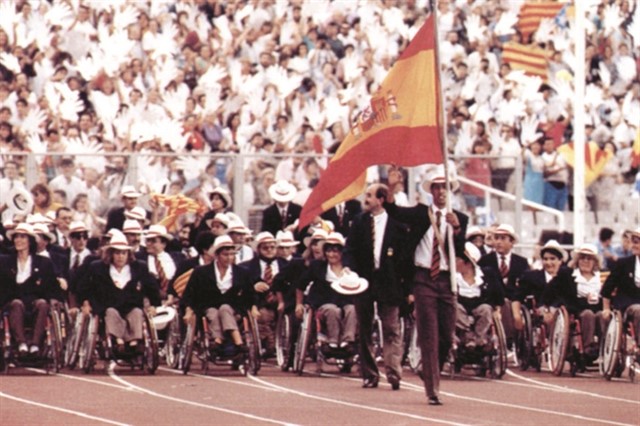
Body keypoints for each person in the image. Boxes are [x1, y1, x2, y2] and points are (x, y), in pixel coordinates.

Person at [384, 169, 468, 406]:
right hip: (423, 278)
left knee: (446, 336)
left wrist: (458, 229)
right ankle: (433, 389)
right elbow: (394, 211)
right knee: (429, 335)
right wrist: (391, 188)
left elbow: (460, 252)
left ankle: (430, 370)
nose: (441, 192)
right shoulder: (421, 214)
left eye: (445, 187)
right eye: (437, 187)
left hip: (447, 280)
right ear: (431, 191)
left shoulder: (459, 217)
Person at [345, 183, 409, 390]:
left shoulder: (397, 225)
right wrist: (351, 271)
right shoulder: (359, 222)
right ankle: (369, 374)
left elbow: (404, 258)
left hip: (388, 282)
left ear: (381, 200)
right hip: (364, 281)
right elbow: (350, 249)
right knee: (364, 328)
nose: (366, 199)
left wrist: (405, 287)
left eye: (370, 195)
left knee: (391, 328)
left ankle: (393, 371)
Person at [81, 230, 160, 354]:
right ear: (111, 254)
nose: (120, 256)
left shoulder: (139, 267)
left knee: (137, 312)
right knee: (111, 312)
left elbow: (151, 287)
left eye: (123, 253)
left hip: (131, 304)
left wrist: (154, 305)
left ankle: (134, 341)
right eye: (117, 253)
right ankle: (118, 341)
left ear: (128, 254)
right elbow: (86, 287)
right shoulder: (97, 267)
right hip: (108, 305)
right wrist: (86, 303)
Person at [181, 235, 254, 354]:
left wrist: (254, 307)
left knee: (224, 308)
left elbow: (250, 294)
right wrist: (188, 311)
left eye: (232, 254)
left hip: (234, 310)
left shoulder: (242, 272)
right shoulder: (201, 272)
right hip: (209, 307)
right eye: (225, 254)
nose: (229, 258)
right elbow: (189, 293)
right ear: (217, 255)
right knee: (214, 312)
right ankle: (233, 341)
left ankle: (221, 340)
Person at [0, 223, 58, 355]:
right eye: (16, 237)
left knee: (42, 304)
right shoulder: (4, 261)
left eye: (22, 237)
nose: (18, 240)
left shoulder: (43, 262)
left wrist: (54, 298)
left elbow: (52, 286)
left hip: (34, 300)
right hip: (12, 301)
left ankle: (35, 344)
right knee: (17, 304)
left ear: (30, 241)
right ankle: (21, 343)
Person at [296, 232, 357, 356]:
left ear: (342, 252)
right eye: (328, 251)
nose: (331, 254)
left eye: (335, 251)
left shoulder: (351, 268)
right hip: (323, 303)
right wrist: (299, 304)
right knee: (333, 310)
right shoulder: (317, 266)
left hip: (345, 301)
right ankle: (332, 343)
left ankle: (348, 342)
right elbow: (300, 285)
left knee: (352, 309)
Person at [478, 224, 529, 352]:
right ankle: (507, 340)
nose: (499, 242)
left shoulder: (521, 262)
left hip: (515, 300)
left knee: (509, 304)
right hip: (492, 299)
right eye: (497, 238)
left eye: (503, 238)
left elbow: (525, 285)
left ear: (511, 242)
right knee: (503, 303)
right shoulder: (485, 261)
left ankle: (512, 339)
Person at [239, 232, 289, 359]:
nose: (269, 250)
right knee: (263, 315)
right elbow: (240, 287)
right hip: (259, 301)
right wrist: (253, 287)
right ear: (258, 249)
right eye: (265, 248)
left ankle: (279, 344)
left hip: (282, 300)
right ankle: (268, 344)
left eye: (272, 247)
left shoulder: (287, 265)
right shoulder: (246, 267)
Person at [553, 243, 605, 361]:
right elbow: (558, 292)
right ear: (577, 260)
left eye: (589, 258)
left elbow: (609, 295)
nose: (585, 261)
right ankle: (588, 347)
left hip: (598, 308)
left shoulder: (601, 276)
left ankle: (605, 348)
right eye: (582, 258)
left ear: (595, 262)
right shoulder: (568, 274)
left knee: (602, 315)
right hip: (577, 309)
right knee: (588, 314)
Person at [455, 242, 504, 349]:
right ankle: (469, 336)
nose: (454, 262)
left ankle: (478, 338)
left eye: (457, 260)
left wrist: (497, 310)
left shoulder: (487, 274)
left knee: (486, 309)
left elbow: (498, 295)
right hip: (461, 308)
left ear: (468, 263)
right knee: (454, 308)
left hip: (480, 306)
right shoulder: (452, 277)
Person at [513, 240, 568, 330]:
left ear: (560, 261)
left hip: (560, 316)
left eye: (552, 259)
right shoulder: (531, 276)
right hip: (536, 316)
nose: (548, 262)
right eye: (545, 259)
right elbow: (517, 297)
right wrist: (517, 316)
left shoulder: (566, 279)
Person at [601, 227, 640, 347]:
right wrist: (606, 308)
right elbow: (607, 289)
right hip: (627, 305)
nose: (633, 245)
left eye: (637, 242)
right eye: (633, 241)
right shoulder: (623, 263)